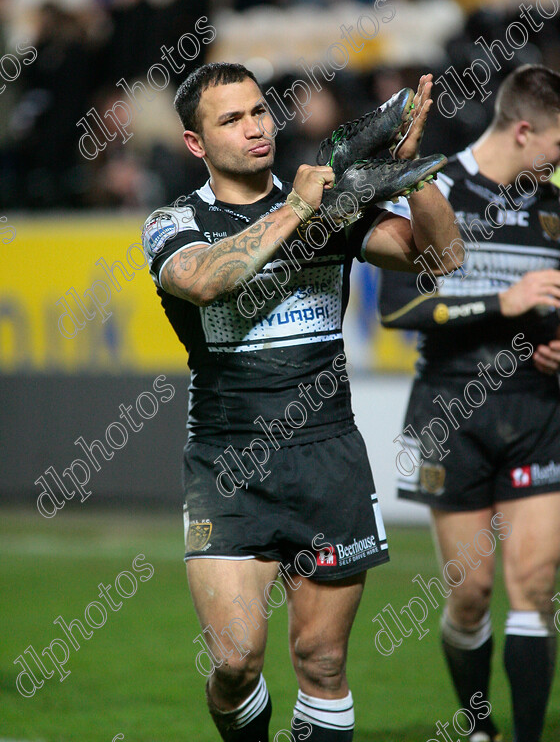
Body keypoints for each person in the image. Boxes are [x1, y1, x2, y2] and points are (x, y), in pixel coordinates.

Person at [141, 62, 461, 741]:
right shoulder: (176, 220)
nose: (255, 128)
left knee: (322, 660)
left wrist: (414, 175)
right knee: (235, 659)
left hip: (327, 456)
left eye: (259, 111)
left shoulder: (328, 200)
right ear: (195, 143)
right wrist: (299, 210)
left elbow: (443, 259)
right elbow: (202, 280)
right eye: (231, 119)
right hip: (228, 463)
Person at [378, 64, 560, 742]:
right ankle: (479, 726)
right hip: (449, 414)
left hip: (539, 412)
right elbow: (396, 308)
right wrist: (499, 303)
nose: (559, 163)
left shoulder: (555, 208)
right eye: (557, 148)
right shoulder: (434, 189)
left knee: (535, 589)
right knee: (470, 593)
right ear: (522, 130)